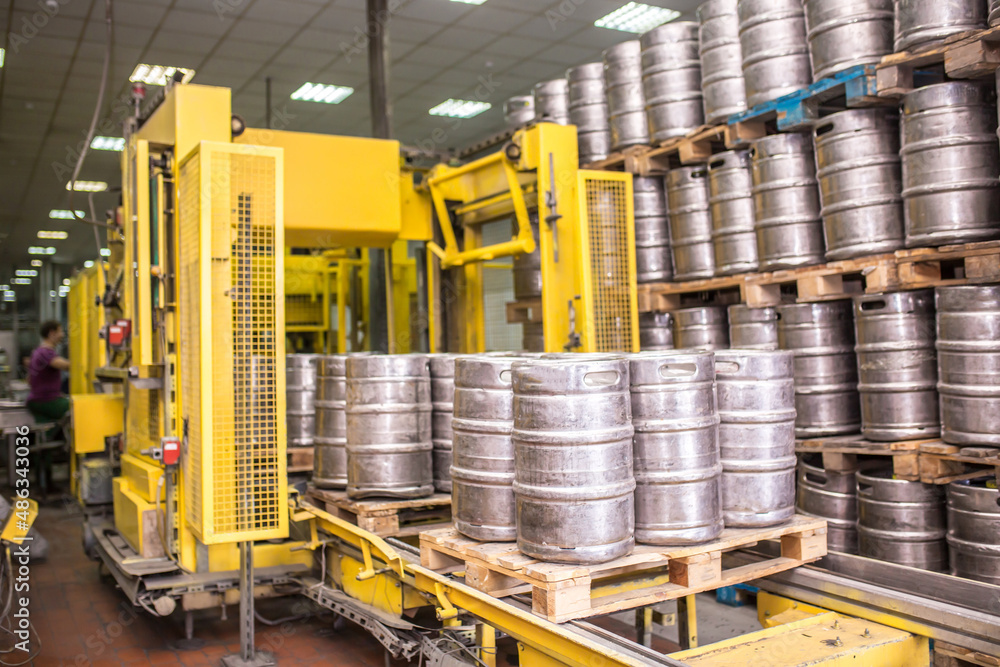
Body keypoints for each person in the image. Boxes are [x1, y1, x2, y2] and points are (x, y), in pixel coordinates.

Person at [26, 320, 70, 423]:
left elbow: (28, 379)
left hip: (37, 400)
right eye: (60, 332)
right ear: (52, 333)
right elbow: (65, 365)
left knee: (49, 433)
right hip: (45, 400)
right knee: (78, 408)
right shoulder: (46, 352)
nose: (62, 335)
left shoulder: (37, 351)